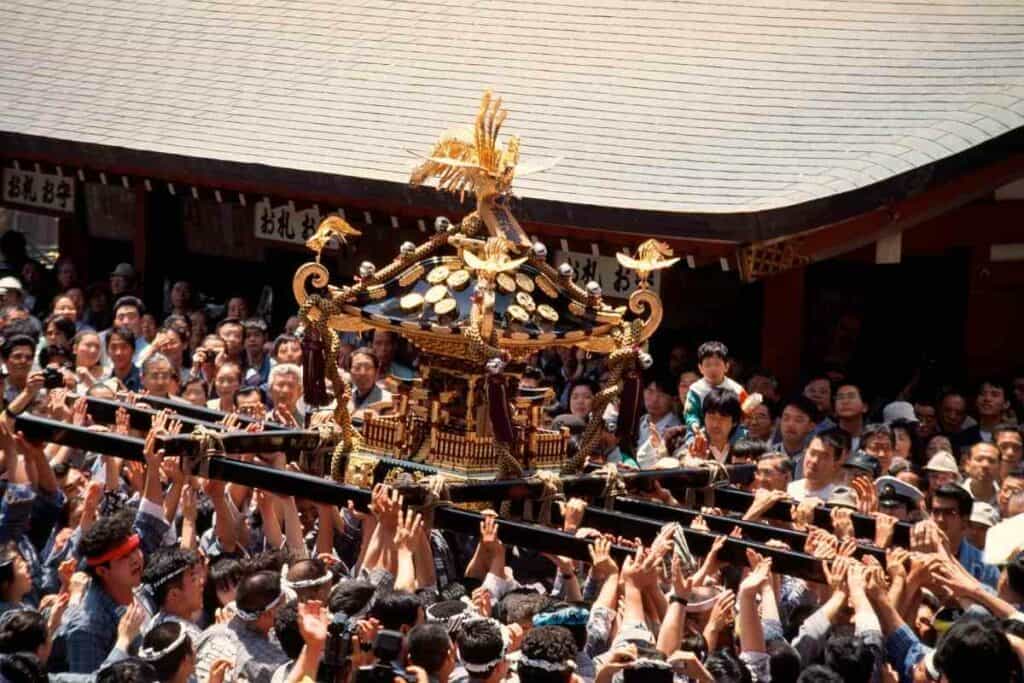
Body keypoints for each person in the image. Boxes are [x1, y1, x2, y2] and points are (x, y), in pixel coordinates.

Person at [193, 570, 288, 683]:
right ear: (269, 613)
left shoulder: (213, 631)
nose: (287, 606)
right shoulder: (268, 664)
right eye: (283, 603)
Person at [923, 483, 1000, 588]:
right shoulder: (916, 553)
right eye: (936, 512)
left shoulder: (984, 566)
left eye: (949, 513)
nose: (940, 519)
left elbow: (994, 601)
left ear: (964, 520)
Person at [682, 341, 747, 441]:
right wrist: (694, 424)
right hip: (702, 429)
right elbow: (691, 413)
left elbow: (745, 412)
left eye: (717, 364)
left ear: (726, 366)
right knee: (691, 441)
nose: (713, 369)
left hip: (731, 431)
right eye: (708, 365)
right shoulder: (696, 390)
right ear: (700, 368)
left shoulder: (737, 389)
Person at [787, 429, 848, 502]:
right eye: (812, 453)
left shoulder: (839, 499)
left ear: (835, 463)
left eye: (824, 457)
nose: (814, 461)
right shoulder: (790, 490)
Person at [773, 395, 820, 478]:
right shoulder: (766, 453)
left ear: (811, 426)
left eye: (798, 420)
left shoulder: (816, 460)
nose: (790, 424)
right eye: (786, 418)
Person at [636, 373, 681, 453]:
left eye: (662, 395)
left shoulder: (676, 430)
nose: (654, 399)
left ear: (673, 399)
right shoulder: (639, 421)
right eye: (650, 391)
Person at [348, 348, 392, 418]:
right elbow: (330, 409)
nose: (362, 373)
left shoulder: (389, 401)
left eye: (368, 367)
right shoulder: (346, 397)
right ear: (350, 372)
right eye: (357, 367)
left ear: (377, 372)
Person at [963, 442, 1001, 507]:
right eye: (979, 459)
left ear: (999, 467)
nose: (985, 465)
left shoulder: (1006, 501)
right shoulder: (953, 498)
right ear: (967, 465)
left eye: (991, 461)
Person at [833, 381, 868, 452]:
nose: (845, 401)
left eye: (851, 396)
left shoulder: (872, 439)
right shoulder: (824, 439)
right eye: (840, 397)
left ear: (864, 407)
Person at [2, 335, 36, 404]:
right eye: (17, 356)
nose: (23, 361)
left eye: (28, 357)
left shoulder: (40, 388)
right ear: (5, 360)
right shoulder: (1, 388)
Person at [242, 318, 271, 388]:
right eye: (248, 336)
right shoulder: (238, 364)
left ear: (265, 338)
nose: (252, 339)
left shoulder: (272, 364)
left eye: (257, 335)